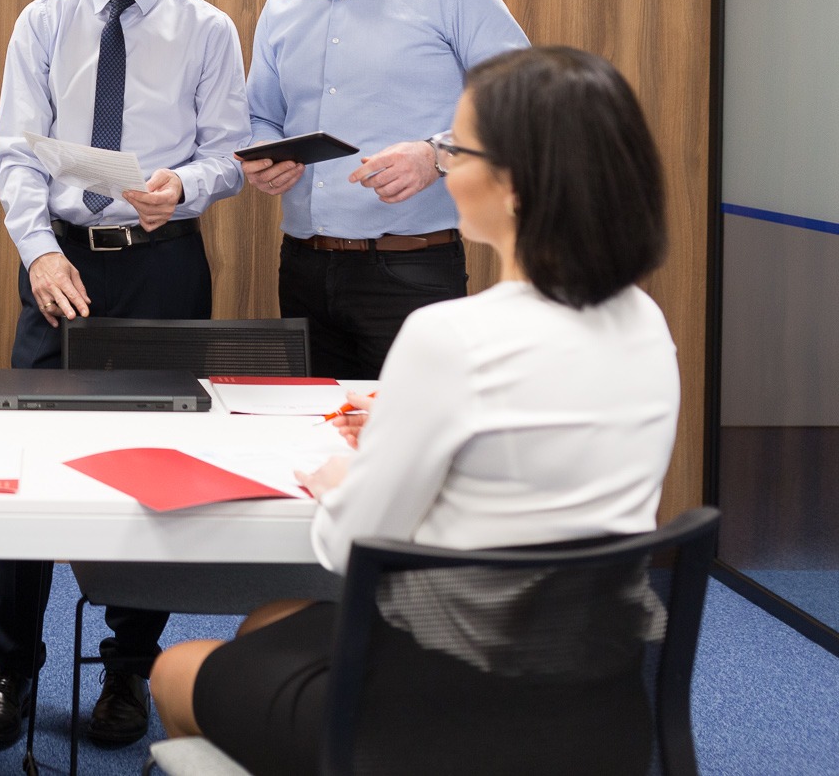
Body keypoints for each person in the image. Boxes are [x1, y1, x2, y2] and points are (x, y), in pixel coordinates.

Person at [149, 46, 681, 776]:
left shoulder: (450, 335)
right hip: (600, 712)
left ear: (516, 187)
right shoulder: (646, 323)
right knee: (268, 622)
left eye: (455, 148)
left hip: (440, 720)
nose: (446, 165)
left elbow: (351, 547)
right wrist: (410, 438)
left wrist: (347, 474)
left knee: (175, 668)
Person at [0, 0, 249, 748]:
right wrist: (38, 254)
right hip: (63, 264)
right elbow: (18, 151)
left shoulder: (206, 29)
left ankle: (129, 672)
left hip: (162, 262)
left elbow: (229, 154)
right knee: (30, 469)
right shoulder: (45, 22)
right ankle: (10, 669)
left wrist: (187, 183)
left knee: (153, 473)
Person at [240, 0, 528, 378]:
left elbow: (525, 106)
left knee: (416, 455)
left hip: (411, 271)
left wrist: (437, 155)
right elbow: (261, 115)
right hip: (302, 268)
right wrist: (264, 151)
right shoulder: (279, 10)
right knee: (311, 446)